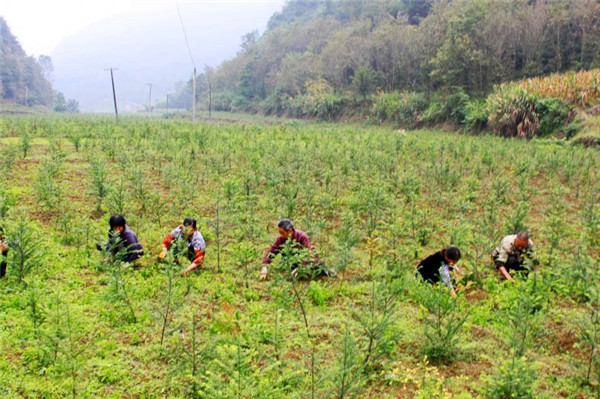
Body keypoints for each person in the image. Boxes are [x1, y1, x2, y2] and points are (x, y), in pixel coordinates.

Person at [260, 219, 325, 280]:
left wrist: (299, 269)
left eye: (282, 232)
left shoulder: (302, 237)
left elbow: (308, 254)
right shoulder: (281, 239)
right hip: (292, 263)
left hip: (304, 263)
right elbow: (272, 252)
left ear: (290, 231)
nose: (280, 235)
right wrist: (264, 266)